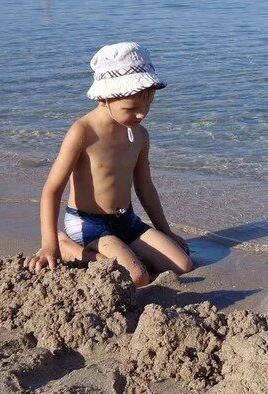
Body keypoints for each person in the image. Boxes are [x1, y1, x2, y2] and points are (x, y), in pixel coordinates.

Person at [25, 42, 193, 285]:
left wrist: (165, 230)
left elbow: (145, 187)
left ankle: (121, 249)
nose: (141, 114)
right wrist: (48, 244)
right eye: (131, 108)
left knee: (183, 264)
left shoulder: (140, 135)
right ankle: (68, 247)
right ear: (104, 98)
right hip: (89, 224)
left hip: (127, 220)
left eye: (148, 105)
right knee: (136, 277)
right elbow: (52, 189)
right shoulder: (83, 132)